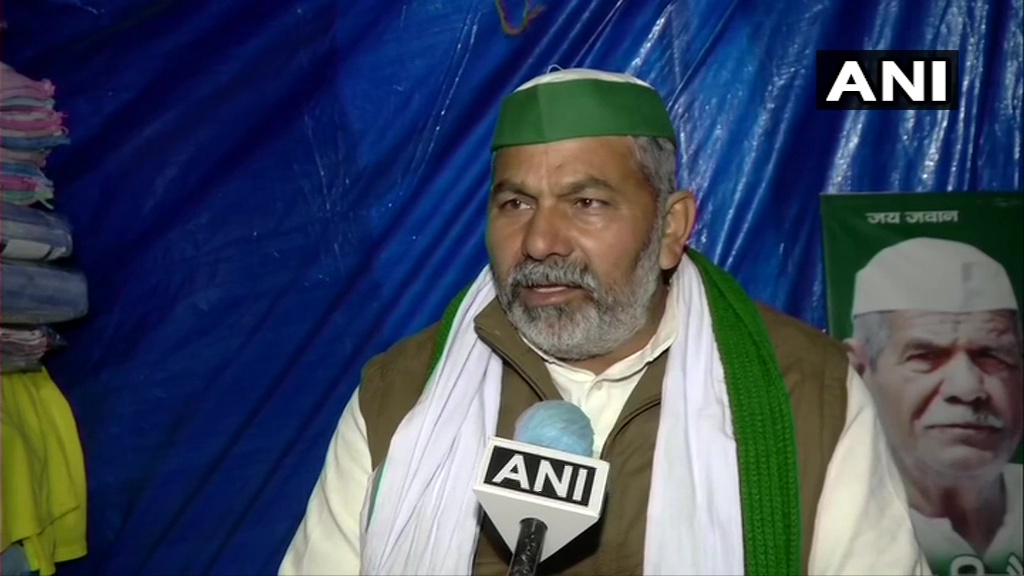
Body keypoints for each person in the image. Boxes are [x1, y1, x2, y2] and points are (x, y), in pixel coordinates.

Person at [280, 68, 929, 575]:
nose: (541, 242)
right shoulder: (399, 397)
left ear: (671, 227)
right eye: (515, 204)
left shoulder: (807, 394)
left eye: (586, 202)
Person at [846, 237, 1023, 576]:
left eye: (992, 356)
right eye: (926, 356)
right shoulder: (833, 521)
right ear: (859, 371)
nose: (968, 389)